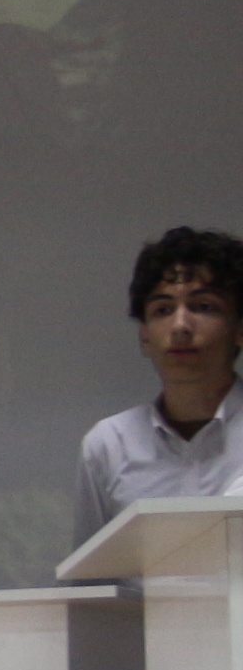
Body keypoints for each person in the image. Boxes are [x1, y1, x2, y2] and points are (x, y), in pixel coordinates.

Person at [75, 226, 243, 546]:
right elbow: (92, 573)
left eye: (203, 306)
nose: (180, 326)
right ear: (144, 335)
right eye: (163, 310)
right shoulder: (109, 446)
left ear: (239, 328)